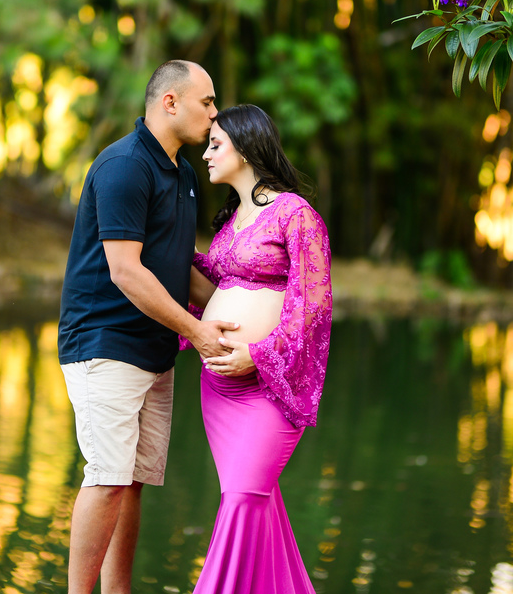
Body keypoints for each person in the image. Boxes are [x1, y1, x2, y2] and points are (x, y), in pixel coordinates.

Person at [57, 60, 239, 594]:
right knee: (107, 478)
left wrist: (240, 313)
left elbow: (176, 266)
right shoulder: (124, 166)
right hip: (104, 345)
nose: (214, 114)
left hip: (153, 351)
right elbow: (126, 270)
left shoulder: (182, 172)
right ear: (170, 103)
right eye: (207, 102)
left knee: (132, 483)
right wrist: (201, 334)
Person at [187, 103, 332, 594]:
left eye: (215, 144)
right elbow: (219, 281)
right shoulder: (233, 221)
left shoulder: (295, 214)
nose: (206, 154)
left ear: (246, 148)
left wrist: (258, 355)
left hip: (268, 386)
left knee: (244, 497)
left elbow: (312, 309)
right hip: (220, 392)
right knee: (257, 505)